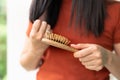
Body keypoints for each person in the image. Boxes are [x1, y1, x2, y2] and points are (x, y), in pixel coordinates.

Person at [20, 0, 120, 80]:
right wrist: (36, 49)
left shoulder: (115, 10)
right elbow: (27, 65)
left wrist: (108, 58)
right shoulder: (45, 5)